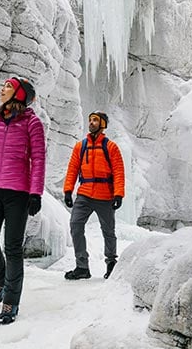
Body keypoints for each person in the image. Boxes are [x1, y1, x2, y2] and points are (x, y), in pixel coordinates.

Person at [0, 76, 45, 325]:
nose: (2, 89)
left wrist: (36, 193)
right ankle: (1, 283)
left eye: (8, 86)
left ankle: (11, 302)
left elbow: (38, 159)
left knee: (12, 248)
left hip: (18, 192)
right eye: (3, 85)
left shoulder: (32, 123)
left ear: (20, 95)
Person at [62, 111, 125, 280]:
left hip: (105, 195)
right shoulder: (80, 146)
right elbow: (73, 169)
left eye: (95, 120)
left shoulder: (111, 147)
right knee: (75, 225)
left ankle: (111, 263)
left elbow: (119, 171)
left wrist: (118, 194)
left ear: (103, 124)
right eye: (90, 120)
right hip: (84, 194)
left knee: (108, 231)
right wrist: (68, 190)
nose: (91, 122)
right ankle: (82, 266)